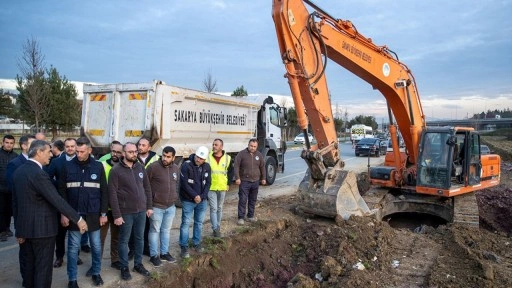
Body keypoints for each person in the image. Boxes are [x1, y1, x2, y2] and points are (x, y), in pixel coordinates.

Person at [12, 140, 88, 288]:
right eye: (48, 152)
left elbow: (16, 205)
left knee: (28, 267)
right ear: (39, 152)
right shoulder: (39, 174)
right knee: (43, 270)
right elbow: (56, 199)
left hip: (25, 231)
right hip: (43, 231)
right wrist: (78, 218)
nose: (50, 155)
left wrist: (18, 230)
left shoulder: (19, 171)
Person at [58, 137, 108, 287]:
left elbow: (104, 192)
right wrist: (64, 213)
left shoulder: (98, 167)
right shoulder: (67, 166)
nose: (78, 154)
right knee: (73, 248)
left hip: (93, 213)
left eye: (81, 151)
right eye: (77, 151)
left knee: (96, 246)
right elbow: (61, 192)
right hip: (74, 214)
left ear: (89, 150)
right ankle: (72, 279)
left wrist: (103, 213)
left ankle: (96, 273)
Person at [108, 142, 153, 281]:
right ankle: (124, 267)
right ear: (123, 154)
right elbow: (112, 194)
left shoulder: (140, 167)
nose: (135, 154)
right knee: (124, 240)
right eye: (131, 152)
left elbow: (147, 187)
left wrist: (149, 206)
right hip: (125, 212)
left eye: (135, 151)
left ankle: (138, 264)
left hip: (141, 211)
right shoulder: (115, 170)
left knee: (139, 239)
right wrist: (117, 215)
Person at [47, 138, 84, 268]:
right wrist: (60, 184)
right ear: (64, 147)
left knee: (75, 231)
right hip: (60, 201)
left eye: (72, 146)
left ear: (76, 147)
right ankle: (59, 257)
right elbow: (47, 179)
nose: (70, 148)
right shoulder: (56, 162)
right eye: (67, 146)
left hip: (76, 202)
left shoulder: (81, 161)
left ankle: (76, 255)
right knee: (60, 233)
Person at [6, 134, 36, 285]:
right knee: (25, 249)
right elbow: (13, 189)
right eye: (32, 143)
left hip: (37, 215)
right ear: (24, 146)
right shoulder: (15, 164)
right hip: (23, 213)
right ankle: (26, 278)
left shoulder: (40, 162)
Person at [146, 146, 179, 266]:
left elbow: (176, 184)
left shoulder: (175, 168)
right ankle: (154, 255)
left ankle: (164, 253)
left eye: (168, 156)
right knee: (155, 231)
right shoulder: (153, 167)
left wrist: (175, 197)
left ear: (173, 157)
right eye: (164, 155)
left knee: (166, 230)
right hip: (156, 207)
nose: (165, 158)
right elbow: (146, 187)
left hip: (170, 206)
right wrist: (149, 206)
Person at [179, 146, 211, 258]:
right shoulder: (186, 166)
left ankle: (196, 243)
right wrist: (194, 196)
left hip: (202, 201)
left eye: (201, 158)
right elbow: (184, 184)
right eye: (198, 157)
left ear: (205, 159)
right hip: (188, 200)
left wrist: (202, 196)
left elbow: (208, 183)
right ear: (195, 155)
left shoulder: (207, 167)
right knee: (186, 223)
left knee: (199, 223)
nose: (198, 160)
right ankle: (184, 246)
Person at [99, 140, 123, 270]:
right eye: (113, 151)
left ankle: (115, 260)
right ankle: (96, 264)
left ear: (122, 153)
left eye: (119, 152)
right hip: (103, 209)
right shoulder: (102, 165)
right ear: (111, 150)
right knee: (100, 239)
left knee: (116, 238)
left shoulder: (124, 167)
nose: (115, 154)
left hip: (117, 210)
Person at [136, 137, 160, 256]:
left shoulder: (156, 158)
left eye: (143, 145)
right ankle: (133, 250)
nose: (140, 147)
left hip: (150, 196)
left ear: (149, 147)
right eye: (139, 145)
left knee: (148, 225)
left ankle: (146, 248)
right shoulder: (133, 158)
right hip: (136, 196)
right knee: (136, 225)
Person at [234, 139, 266, 225]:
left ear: (257, 147)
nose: (252, 148)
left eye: (254, 146)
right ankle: (241, 217)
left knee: (253, 200)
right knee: (243, 199)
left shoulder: (259, 155)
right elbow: (236, 166)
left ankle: (250, 216)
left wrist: (263, 178)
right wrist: (237, 178)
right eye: (251, 146)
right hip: (244, 181)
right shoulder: (241, 154)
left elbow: (262, 167)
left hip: (255, 181)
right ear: (248, 145)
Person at [206, 139, 233, 238]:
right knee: (213, 208)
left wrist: (228, 183)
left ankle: (218, 226)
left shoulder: (227, 158)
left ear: (221, 147)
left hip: (222, 187)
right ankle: (215, 229)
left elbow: (230, 172)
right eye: (213, 144)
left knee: (219, 208)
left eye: (216, 145)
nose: (214, 146)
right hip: (211, 187)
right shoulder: (208, 157)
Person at [0, 134, 17, 241]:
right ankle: (1, 231)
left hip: (11, 189)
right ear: (2, 143)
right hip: (0, 189)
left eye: (11, 143)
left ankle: (7, 228)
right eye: (7, 142)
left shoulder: (15, 156)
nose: (9, 145)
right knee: (0, 210)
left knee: (9, 210)